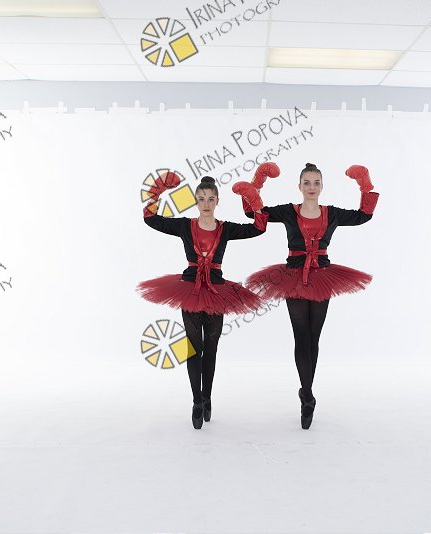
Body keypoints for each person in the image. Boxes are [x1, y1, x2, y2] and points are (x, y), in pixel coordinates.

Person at [241, 162, 379, 429]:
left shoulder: (332, 213)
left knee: (314, 338)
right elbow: (252, 213)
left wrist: (365, 184)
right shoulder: (288, 211)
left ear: (322, 186)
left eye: (316, 183)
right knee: (301, 336)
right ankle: (307, 396)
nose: (311, 187)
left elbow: (363, 215)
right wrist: (256, 183)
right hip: (293, 276)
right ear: (299, 186)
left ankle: (306, 390)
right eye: (307, 183)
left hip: (322, 276)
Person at [138, 173, 269, 429]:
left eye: (210, 199)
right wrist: (157, 191)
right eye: (201, 199)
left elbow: (258, 228)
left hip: (217, 291)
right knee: (193, 347)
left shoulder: (226, 228)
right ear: (196, 201)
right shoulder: (185, 226)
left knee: (211, 347)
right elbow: (152, 219)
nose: (206, 203)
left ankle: (207, 397)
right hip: (190, 289)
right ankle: (196, 401)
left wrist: (254, 200)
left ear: (217, 201)